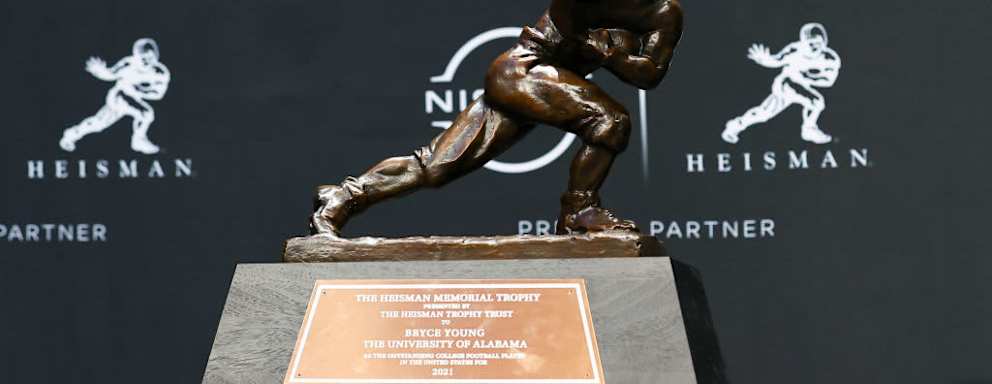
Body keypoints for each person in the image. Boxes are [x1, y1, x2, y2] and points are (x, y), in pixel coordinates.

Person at [312, 0, 683, 236]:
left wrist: (611, 57)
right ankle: (578, 211)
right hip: (523, 71)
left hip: (546, 84)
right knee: (611, 121)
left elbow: (650, 74)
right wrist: (610, 54)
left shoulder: (665, 14)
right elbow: (570, 20)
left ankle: (342, 196)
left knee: (436, 166)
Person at [722, 23, 841, 144]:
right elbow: (776, 61)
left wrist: (807, 77)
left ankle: (736, 125)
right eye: (811, 43)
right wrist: (764, 60)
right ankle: (808, 129)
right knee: (816, 102)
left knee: (764, 113)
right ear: (803, 42)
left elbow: (829, 81)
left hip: (802, 87)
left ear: (824, 42)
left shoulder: (830, 59)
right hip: (786, 84)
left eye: (818, 43)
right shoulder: (794, 50)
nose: (815, 46)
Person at [60, 38, 171, 154]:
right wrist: (100, 71)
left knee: (99, 123)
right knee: (145, 113)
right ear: (136, 56)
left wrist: (138, 90)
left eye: (150, 58)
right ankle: (138, 141)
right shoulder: (128, 64)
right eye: (143, 58)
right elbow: (111, 74)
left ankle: (71, 134)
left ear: (156, 57)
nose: (146, 62)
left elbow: (158, 94)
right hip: (119, 97)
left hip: (133, 99)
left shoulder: (161, 73)